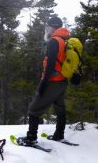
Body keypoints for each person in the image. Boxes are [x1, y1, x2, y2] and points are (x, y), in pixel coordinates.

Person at [19, 16, 70, 146]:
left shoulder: (54, 41)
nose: (46, 29)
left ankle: (31, 138)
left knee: (34, 109)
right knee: (60, 109)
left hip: (52, 81)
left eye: (48, 26)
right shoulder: (65, 40)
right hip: (62, 81)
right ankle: (59, 135)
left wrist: (43, 83)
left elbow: (50, 64)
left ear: (53, 27)